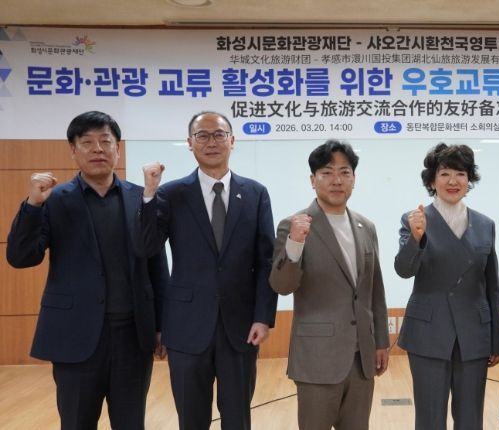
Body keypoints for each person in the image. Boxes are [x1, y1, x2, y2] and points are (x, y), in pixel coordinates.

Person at [6, 111, 169, 429]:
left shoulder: (141, 198)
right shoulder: (53, 200)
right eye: (87, 142)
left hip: (132, 337)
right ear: (73, 150)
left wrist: (162, 325)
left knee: (131, 423)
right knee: (76, 422)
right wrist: (33, 206)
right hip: (74, 335)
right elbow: (21, 257)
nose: (97, 149)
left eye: (105, 141)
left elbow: (156, 265)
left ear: (117, 149)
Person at [136, 111, 277, 429]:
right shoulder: (170, 194)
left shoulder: (255, 193)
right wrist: (148, 194)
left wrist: (263, 316)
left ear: (232, 140)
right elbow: (146, 247)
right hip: (186, 326)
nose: (211, 142)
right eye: (202, 136)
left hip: (240, 327)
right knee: (192, 418)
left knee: (238, 418)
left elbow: (266, 259)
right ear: (190, 143)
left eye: (218, 134)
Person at [269, 140, 389, 430]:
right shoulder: (293, 225)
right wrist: (295, 243)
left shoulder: (366, 227)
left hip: (361, 358)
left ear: (354, 178)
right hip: (317, 358)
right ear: (313, 180)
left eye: (344, 172)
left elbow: (375, 291)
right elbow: (282, 285)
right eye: (326, 172)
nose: (336, 180)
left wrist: (381, 342)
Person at [394, 143, 499, 430]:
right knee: (429, 419)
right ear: (432, 181)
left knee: (470, 418)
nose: (453, 181)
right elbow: (404, 270)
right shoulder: (415, 219)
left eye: (461, 174)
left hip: (474, 333)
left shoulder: (485, 224)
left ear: (469, 180)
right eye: (444, 174)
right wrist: (416, 238)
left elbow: (491, 285)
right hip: (428, 331)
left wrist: (497, 338)